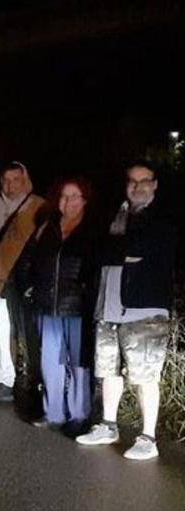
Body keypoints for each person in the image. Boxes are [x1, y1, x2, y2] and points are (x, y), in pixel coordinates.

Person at [76, 164, 176, 461]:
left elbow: (143, 248)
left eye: (145, 181)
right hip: (108, 306)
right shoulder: (114, 214)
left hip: (144, 309)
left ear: (155, 185)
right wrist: (118, 251)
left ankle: (148, 437)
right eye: (132, 181)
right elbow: (94, 249)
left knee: (145, 376)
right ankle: (108, 425)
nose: (138, 186)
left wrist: (114, 249)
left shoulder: (163, 218)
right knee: (107, 370)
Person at [16, 177, 98, 430]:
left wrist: (89, 295)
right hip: (46, 305)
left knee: (78, 362)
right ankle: (52, 411)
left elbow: (97, 269)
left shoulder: (93, 229)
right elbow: (26, 261)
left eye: (75, 196)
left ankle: (79, 414)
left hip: (77, 306)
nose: (69, 201)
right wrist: (28, 288)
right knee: (50, 360)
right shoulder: (46, 227)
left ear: (84, 200)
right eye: (64, 196)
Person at [0, 162, 47, 403]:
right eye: (5, 180)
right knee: (3, 330)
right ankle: (5, 381)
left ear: (25, 180)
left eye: (15, 180)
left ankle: (35, 386)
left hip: (27, 281)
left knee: (30, 335)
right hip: (2, 277)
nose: (10, 185)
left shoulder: (39, 206)